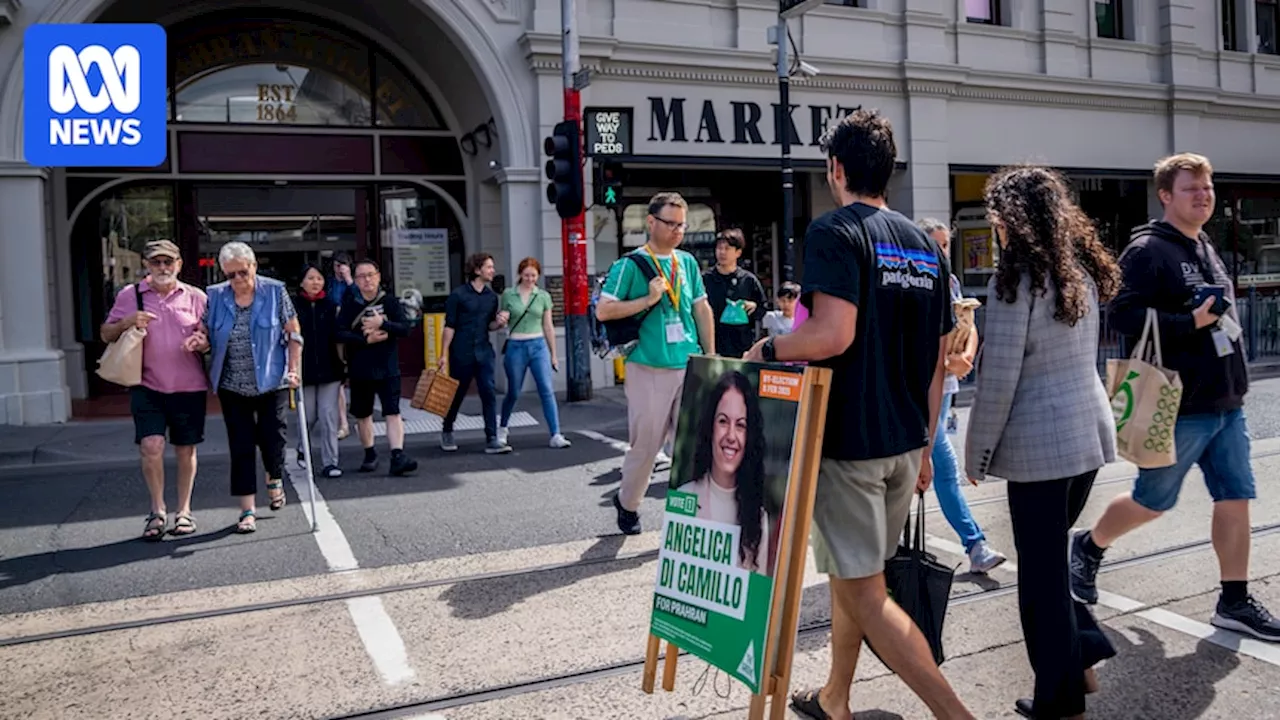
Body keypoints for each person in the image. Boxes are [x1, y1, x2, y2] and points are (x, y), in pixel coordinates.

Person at [744, 109, 972, 720]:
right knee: (857, 580)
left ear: (836, 168)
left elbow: (831, 333)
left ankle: (958, 716)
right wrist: (926, 447)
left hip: (850, 448)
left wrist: (766, 349)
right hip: (904, 443)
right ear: (888, 170)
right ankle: (834, 698)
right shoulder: (926, 246)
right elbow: (936, 359)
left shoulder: (834, 232)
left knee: (867, 595)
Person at [1069, 153, 1280, 642]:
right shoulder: (1146, 251)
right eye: (1192, 189)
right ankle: (1089, 546)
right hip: (1176, 404)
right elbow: (1121, 316)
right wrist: (1191, 323)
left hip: (1227, 401)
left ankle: (1234, 600)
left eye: (1207, 188)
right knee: (1153, 501)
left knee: (1236, 497)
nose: (1203, 196)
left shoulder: (1203, 244)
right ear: (1166, 195)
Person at [964, 166, 1122, 719]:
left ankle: (1061, 701)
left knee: (1040, 585)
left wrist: (976, 452)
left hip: (1039, 451)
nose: (993, 223)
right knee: (1051, 568)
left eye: (996, 213)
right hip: (1086, 439)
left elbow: (999, 380)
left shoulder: (1014, 283)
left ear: (1012, 219)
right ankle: (1082, 661)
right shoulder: (1075, 270)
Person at [596, 192, 716, 535]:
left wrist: (710, 355)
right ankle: (628, 502)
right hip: (648, 366)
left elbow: (701, 308)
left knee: (692, 446)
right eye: (671, 223)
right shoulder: (630, 265)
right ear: (651, 222)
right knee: (647, 446)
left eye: (682, 224)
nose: (678, 230)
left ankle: (686, 520)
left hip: (688, 362)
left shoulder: (687, 263)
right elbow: (604, 310)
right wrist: (648, 298)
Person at [184, 242, 301, 534]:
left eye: (242, 272)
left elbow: (293, 334)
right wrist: (200, 341)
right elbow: (206, 331)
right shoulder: (216, 296)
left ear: (254, 266)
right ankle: (247, 510)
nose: (237, 279)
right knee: (241, 445)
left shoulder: (275, 292)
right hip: (232, 384)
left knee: (273, 437)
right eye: (231, 274)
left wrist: (293, 369)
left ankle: (274, 475)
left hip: (271, 381)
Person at [916, 218, 1007, 574]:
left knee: (931, 468)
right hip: (922, 386)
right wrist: (942, 359)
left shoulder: (951, 282)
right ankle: (975, 544)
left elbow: (968, 325)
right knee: (942, 464)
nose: (941, 251)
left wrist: (966, 356)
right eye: (935, 244)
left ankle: (973, 546)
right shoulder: (915, 281)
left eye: (945, 245)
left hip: (947, 386)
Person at [101, 240, 208, 540]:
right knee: (151, 446)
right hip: (146, 385)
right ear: (147, 266)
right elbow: (105, 333)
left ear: (178, 264)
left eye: (168, 262)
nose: (162, 268)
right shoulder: (130, 295)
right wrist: (125, 322)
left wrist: (202, 342)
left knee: (186, 449)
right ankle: (157, 509)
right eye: (156, 263)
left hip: (189, 385)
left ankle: (184, 510)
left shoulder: (196, 297)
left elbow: (210, 336)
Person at [680, 370, 770, 573]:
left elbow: (756, 599)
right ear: (709, 428)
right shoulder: (684, 498)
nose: (731, 435)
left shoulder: (758, 518)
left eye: (741, 425)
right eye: (722, 421)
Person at [336, 259, 419, 475]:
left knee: (393, 411)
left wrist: (383, 324)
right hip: (360, 368)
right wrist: (365, 338)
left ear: (379, 276)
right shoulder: (350, 303)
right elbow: (339, 332)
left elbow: (405, 329)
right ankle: (369, 453)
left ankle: (397, 455)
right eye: (362, 276)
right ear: (355, 280)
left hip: (388, 366)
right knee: (363, 414)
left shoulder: (390, 302)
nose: (367, 280)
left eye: (370, 275)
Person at [439, 253, 511, 454]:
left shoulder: (491, 298)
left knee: (488, 392)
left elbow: (489, 325)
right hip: (461, 351)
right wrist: (443, 354)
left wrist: (499, 323)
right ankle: (447, 428)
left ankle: (491, 437)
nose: (493, 271)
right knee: (457, 392)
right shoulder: (458, 295)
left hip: (484, 351)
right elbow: (449, 326)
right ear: (477, 270)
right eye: (489, 267)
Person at [498, 257, 572, 449]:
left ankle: (555, 433)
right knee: (513, 391)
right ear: (520, 275)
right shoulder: (509, 294)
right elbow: (502, 317)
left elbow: (548, 326)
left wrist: (553, 354)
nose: (530, 279)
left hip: (538, 344)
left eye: (533, 275)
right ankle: (503, 428)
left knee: (546, 390)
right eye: (526, 275)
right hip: (516, 345)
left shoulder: (543, 296)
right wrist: (502, 319)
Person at [292, 264, 346, 478]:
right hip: (303, 370)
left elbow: (340, 338)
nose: (316, 282)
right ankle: (302, 449)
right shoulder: (293, 307)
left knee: (328, 416)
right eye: (311, 278)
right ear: (302, 282)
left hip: (330, 368)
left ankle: (330, 462)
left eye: (319, 278)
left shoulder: (332, 306)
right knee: (308, 416)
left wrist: (344, 365)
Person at [703, 228, 767, 358]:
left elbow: (762, 308)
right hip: (713, 345)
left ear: (738, 252)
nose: (722, 252)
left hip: (741, 346)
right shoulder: (705, 278)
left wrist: (753, 306)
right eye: (719, 248)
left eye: (727, 249)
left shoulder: (748, 280)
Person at [328, 252, 355, 440]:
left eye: (343, 265)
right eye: (337, 265)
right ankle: (343, 423)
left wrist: (349, 280)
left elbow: (359, 300)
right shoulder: (329, 284)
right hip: (334, 333)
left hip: (352, 333)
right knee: (338, 378)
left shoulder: (353, 285)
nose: (339, 269)